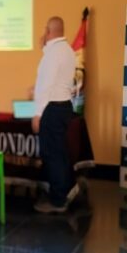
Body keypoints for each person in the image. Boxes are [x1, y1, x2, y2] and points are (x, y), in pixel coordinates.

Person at [32, 16, 77, 213]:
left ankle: (57, 201)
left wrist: (37, 114)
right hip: (65, 106)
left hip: (51, 108)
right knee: (60, 152)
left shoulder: (52, 54)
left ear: (48, 31)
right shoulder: (67, 50)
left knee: (52, 154)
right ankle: (65, 192)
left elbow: (45, 86)